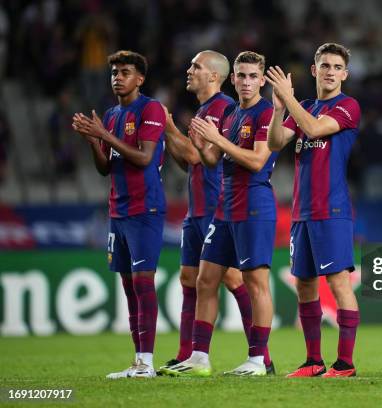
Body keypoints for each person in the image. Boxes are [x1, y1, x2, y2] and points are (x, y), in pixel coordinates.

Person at [166, 51, 277, 377]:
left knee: (255, 282)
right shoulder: (232, 116)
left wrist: (215, 140)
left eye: (252, 76)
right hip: (225, 208)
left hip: (254, 205)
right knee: (205, 279)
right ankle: (199, 356)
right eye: (241, 76)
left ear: (261, 80)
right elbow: (212, 161)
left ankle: (258, 360)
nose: (245, 81)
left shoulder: (266, 112)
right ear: (233, 79)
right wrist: (201, 145)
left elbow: (257, 161)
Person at [266, 43, 361, 377]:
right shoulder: (303, 105)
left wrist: (289, 100)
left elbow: (316, 128)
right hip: (301, 212)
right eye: (325, 65)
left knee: (338, 284)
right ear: (314, 70)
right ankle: (313, 361)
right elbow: (276, 143)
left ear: (344, 74)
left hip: (331, 211)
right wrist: (279, 108)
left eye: (337, 67)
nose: (330, 71)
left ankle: (345, 363)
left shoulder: (348, 106)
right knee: (305, 285)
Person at [72, 50, 166, 378]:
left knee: (143, 283)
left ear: (140, 78)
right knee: (128, 287)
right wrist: (91, 141)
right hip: (119, 210)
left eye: (125, 72)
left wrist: (104, 135)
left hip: (145, 209)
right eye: (114, 72)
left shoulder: (150, 108)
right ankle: (137, 361)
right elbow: (105, 168)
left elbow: (144, 157)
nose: (117, 77)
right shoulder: (111, 115)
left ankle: (148, 362)